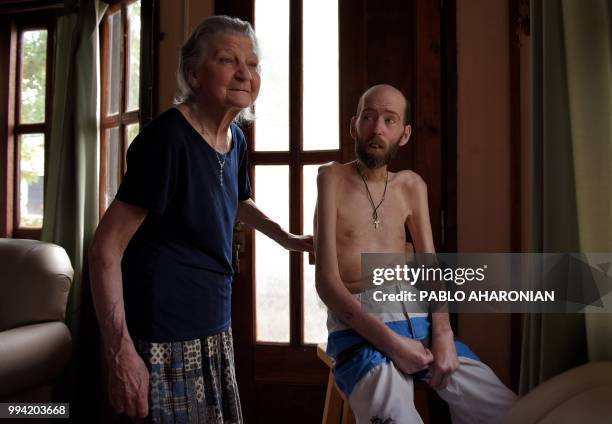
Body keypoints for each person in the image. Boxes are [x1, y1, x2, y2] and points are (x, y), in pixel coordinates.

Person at [89, 15, 312, 423]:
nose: (245, 72)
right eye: (229, 60)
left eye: (253, 63)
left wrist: (289, 239)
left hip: (214, 324)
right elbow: (105, 250)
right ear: (193, 73)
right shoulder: (167, 139)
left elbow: (237, 200)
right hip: (163, 333)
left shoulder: (235, 138)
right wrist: (119, 351)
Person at [314, 84, 517, 423]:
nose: (377, 128)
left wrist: (444, 334)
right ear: (354, 126)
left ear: (404, 134)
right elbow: (327, 284)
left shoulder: (411, 185)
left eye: (390, 120)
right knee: (397, 417)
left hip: (421, 325)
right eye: (369, 117)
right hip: (360, 331)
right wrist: (393, 346)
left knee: (510, 411)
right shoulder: (331, 177)